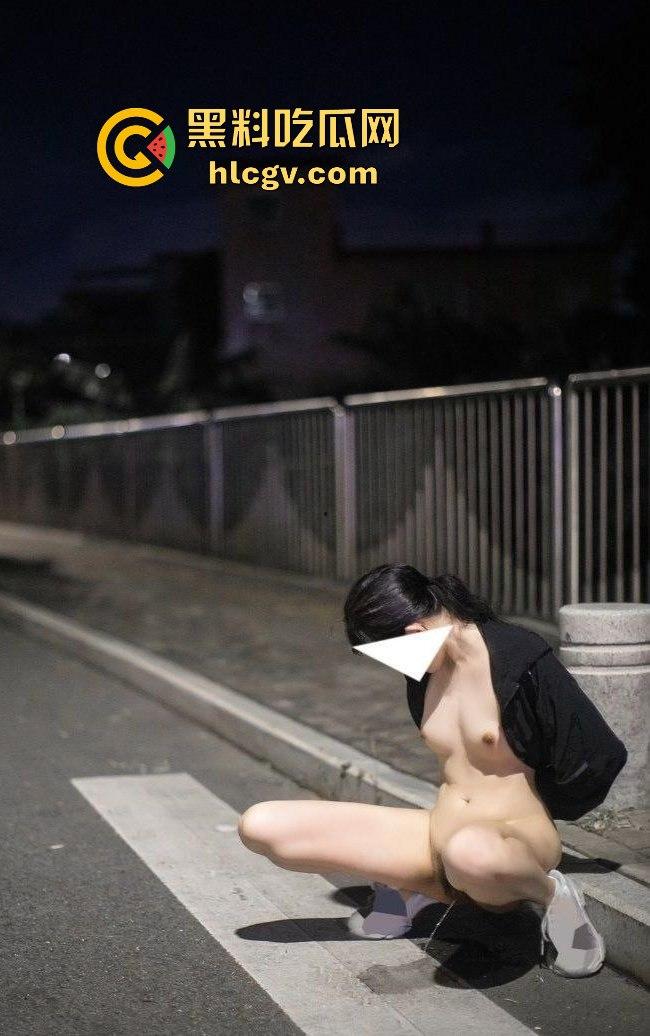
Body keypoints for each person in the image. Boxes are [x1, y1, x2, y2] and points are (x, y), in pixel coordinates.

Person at [238, 565, 627, 978]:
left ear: (414, 632)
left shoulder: (519, 656)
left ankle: (555, 897)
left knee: (470, 854)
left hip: (510, 841)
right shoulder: (427, 670)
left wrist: (543, 805)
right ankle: (416, 886)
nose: (396, 669)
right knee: (261, 825)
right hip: (439, 837)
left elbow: (599, 754)